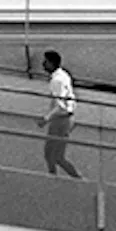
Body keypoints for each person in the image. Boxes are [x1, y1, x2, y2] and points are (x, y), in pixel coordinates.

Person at [41, 49, 79, 178]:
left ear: (51, 63)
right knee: (57, 156)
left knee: (50, 154)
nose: (43, 64)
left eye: (46, 62)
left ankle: (55, 179)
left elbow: (60, 105)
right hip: (67, 118)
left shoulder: (56, 81)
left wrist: (46, 118)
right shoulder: (63, 75)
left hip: (60, 121)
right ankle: (77, 179)